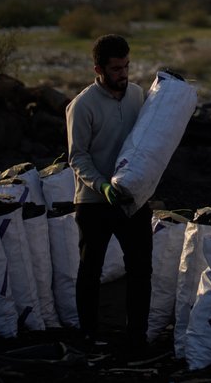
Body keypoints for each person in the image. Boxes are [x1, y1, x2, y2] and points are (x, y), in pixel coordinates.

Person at [66, 33, 153, 352]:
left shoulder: (137, 96)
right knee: (91, 269)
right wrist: (101, 185)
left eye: (127, 66)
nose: (124, 74)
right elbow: (77, 156)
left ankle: (137, 336)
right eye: (116, 69)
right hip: (93, 201)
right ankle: (88, 333)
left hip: (133, 199)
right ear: (98, 70)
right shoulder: (82, 105)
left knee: (141, 269)